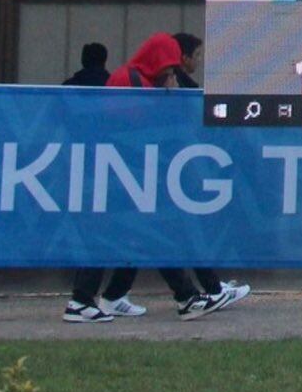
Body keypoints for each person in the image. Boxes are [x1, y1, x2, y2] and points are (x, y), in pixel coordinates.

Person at [63, 34, 248, 323]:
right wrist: (168, 98)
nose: (173, 73)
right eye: (170, 67)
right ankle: (185, 297)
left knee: (133, 236)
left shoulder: (139, 78)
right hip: (125, 173)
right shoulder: (132, 80)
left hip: (127, 173)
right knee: (152, 233)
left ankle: (93, 299)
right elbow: (145, 126)